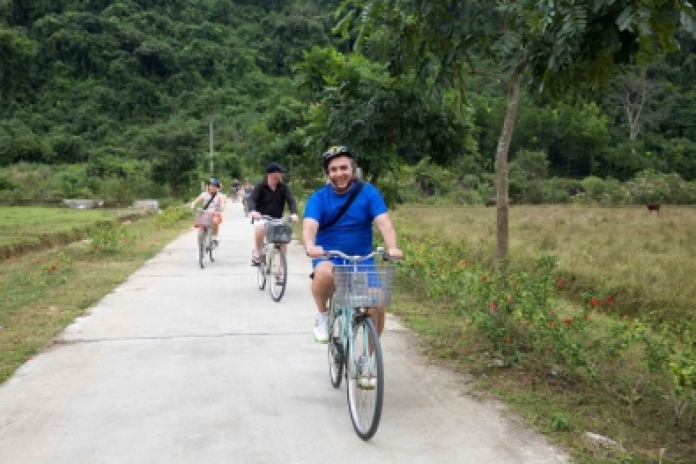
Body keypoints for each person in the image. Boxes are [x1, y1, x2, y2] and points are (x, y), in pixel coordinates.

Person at [303, 146, 403, 343]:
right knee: (323, 272)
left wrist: (392, 247)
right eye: (333, 170)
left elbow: (384, 223)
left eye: (344, 168)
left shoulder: (368, 193)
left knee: (377, 305)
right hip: (329, 257)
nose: (339, 174)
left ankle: (368, 362)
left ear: (353, 169)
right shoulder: (319, 198)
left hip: (362, 261)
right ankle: (322, 316)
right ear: (328, 173)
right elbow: (310, 227)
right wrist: (309, 245)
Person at [249, 163, 299, 266]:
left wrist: (294, 213)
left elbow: (291, 201)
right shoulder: (260, 186)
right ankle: (257, 252)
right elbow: (252, 199)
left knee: (283, 239)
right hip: (262, 218)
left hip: (277, 219)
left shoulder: (283, 187)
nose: (281, 175)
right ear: (272, 174)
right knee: (261, 227)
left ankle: (281, 271)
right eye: (280, 173)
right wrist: (253, 211)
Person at [190, 177, 225, 246]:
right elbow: (195, 201)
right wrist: (193, 205)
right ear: (208, 186)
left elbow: (222, 204)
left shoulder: (219, 196)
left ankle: (214, 237)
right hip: (205, 213)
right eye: (211, 186)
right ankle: (200, 250)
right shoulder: (204, 194)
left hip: (215, 213)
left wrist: (221, 208)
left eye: (215, 186)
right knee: (200, 229)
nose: (213, 187)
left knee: (215, 221)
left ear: (217, 187)